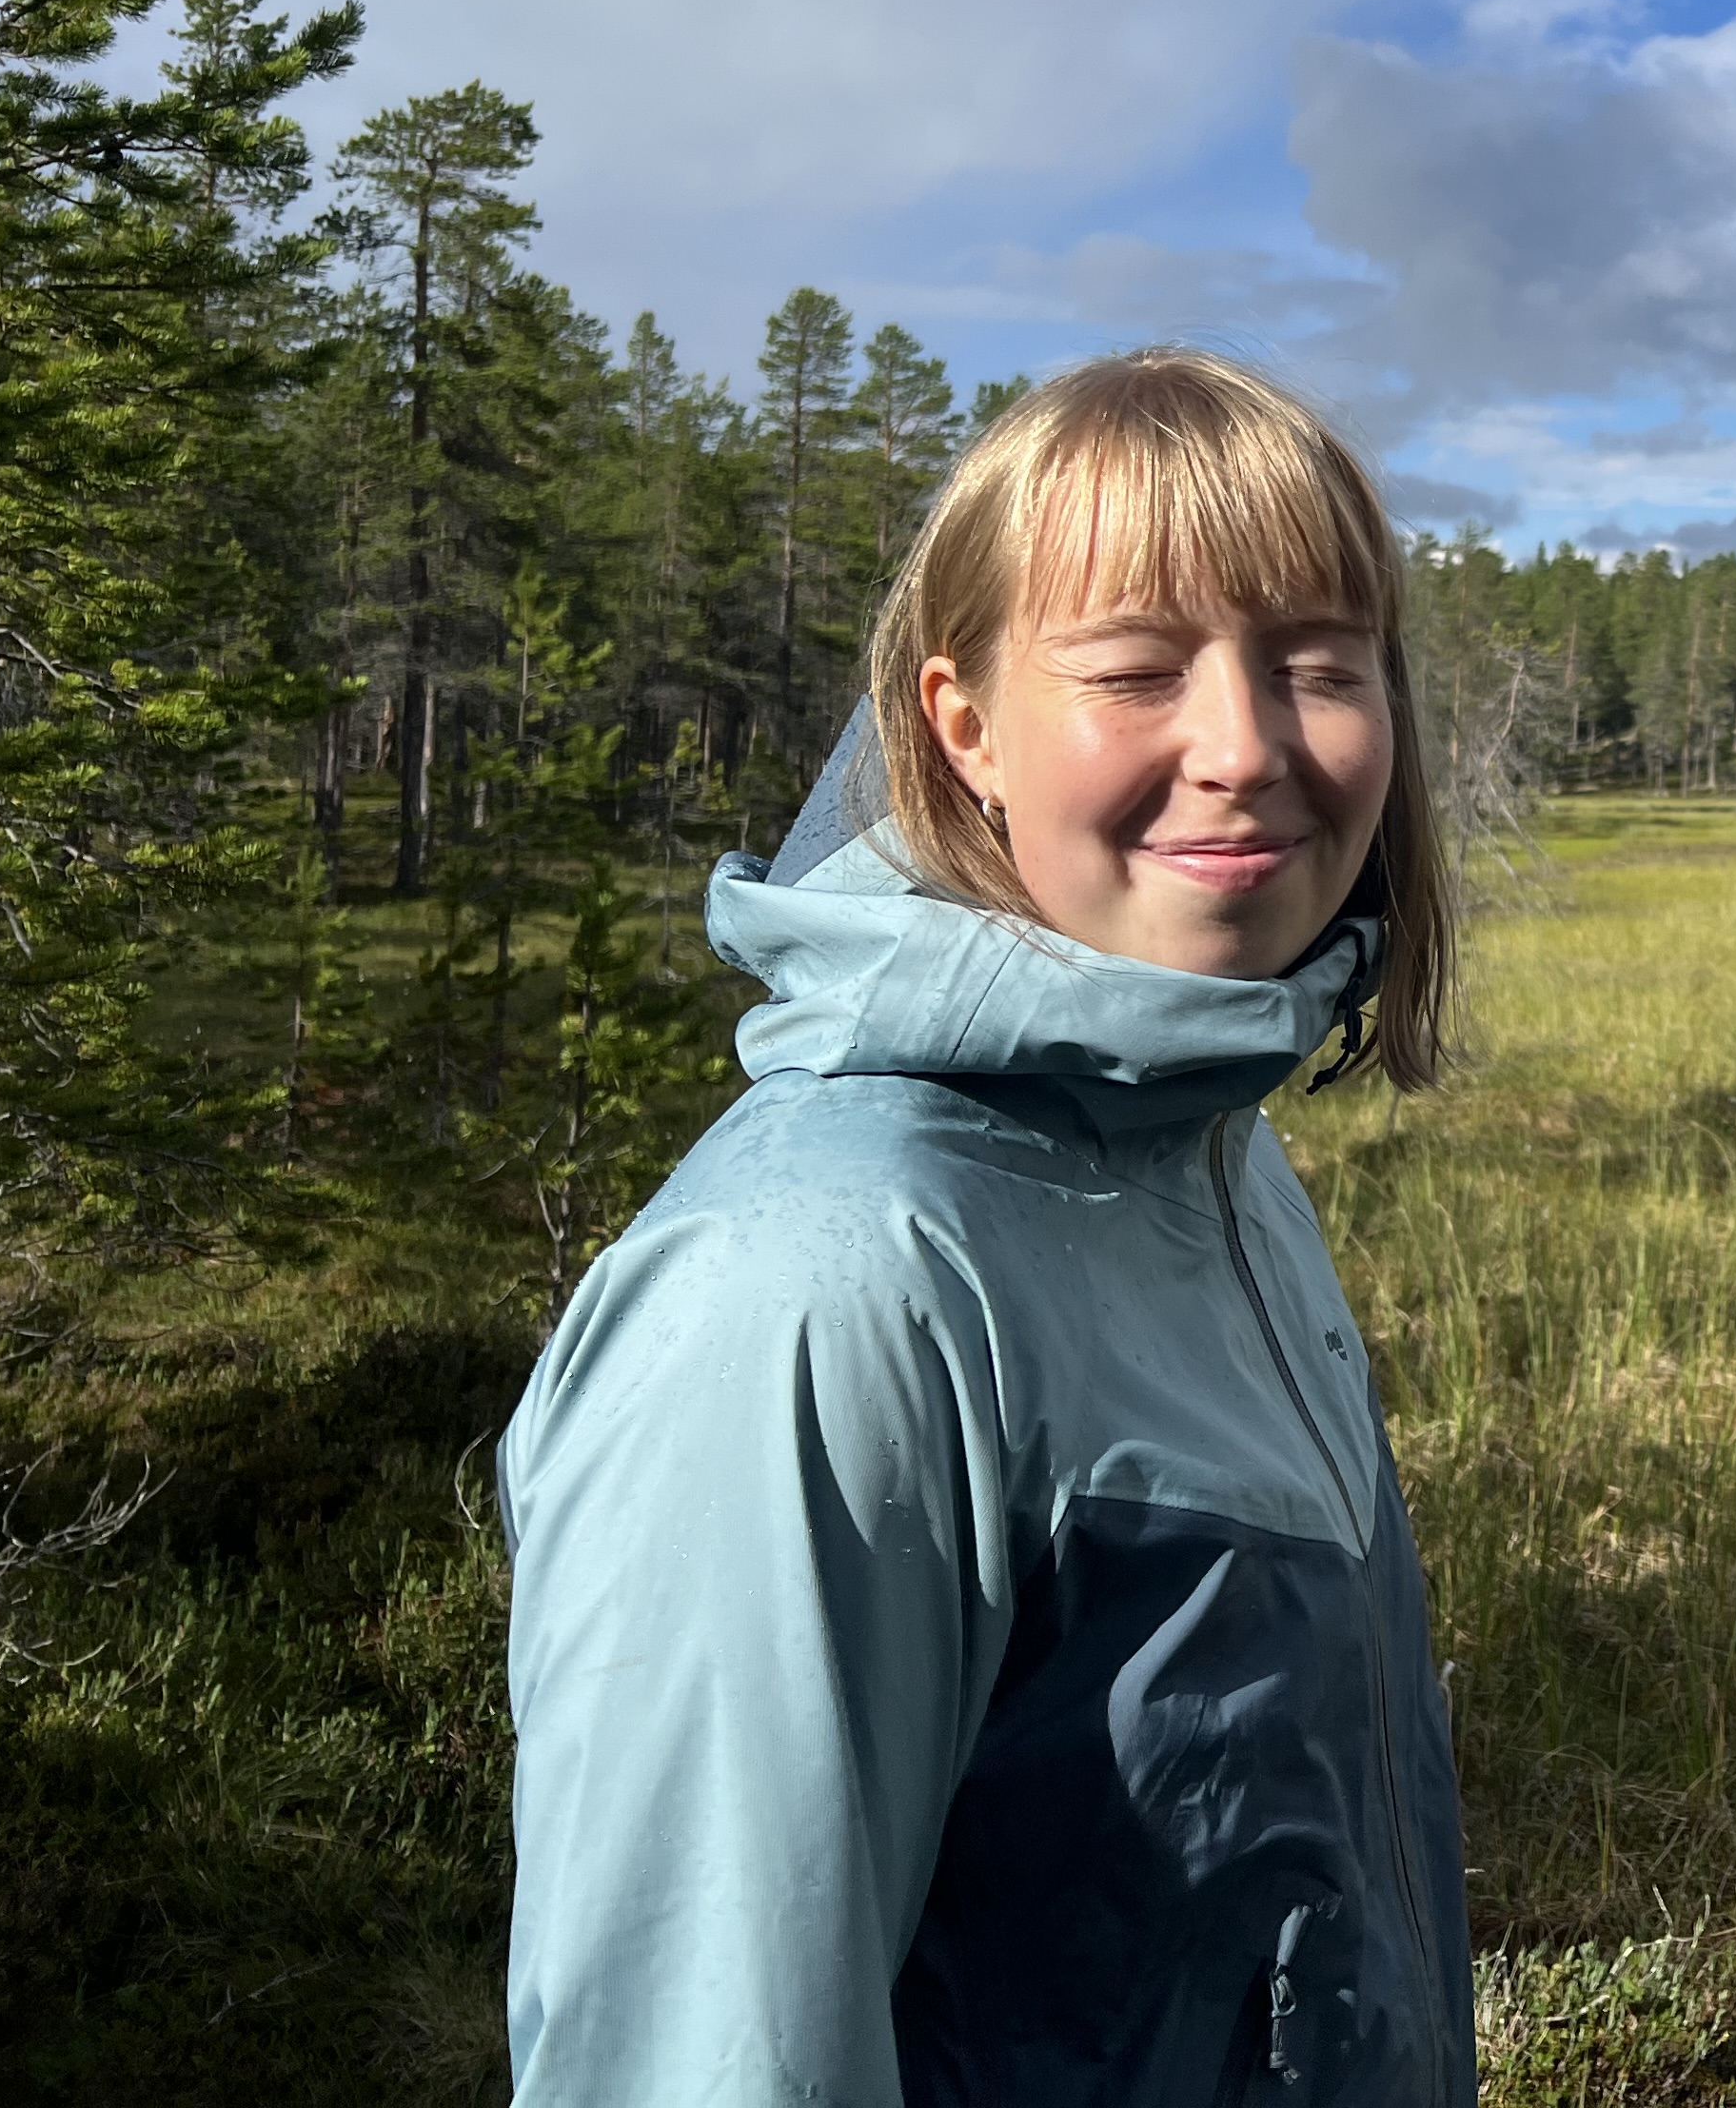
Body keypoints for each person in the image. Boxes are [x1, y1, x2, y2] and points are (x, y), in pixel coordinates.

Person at [498, 346, 1472, 2106]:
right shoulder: (818, 1295)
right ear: (961, 727)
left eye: (1320, 665)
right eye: (1137, 670)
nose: (1246, 749)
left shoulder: (1212, 1158)